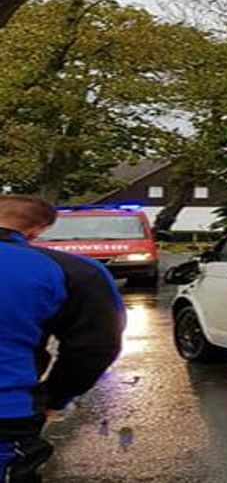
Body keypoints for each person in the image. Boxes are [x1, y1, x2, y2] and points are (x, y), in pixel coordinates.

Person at [0, 195, 125, 482]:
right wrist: (55, 398)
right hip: (7, 411)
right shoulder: (75, 270)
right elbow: (95, 347)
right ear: (37, 230)